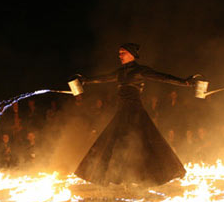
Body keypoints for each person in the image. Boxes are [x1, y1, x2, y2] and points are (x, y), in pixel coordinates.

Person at [74, 43, 199, 187]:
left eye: (123, 53)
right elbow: (103, 78)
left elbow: (162, 77)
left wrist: (185, 82)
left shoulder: (140, 71)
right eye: (119, 53)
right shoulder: (120, 73)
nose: (120, 55)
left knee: (146, 142)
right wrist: (86, 80)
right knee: (113, 142)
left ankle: (160, 174)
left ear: (132, 54)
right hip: (122, 112)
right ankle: (115, 176)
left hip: (136, 111)